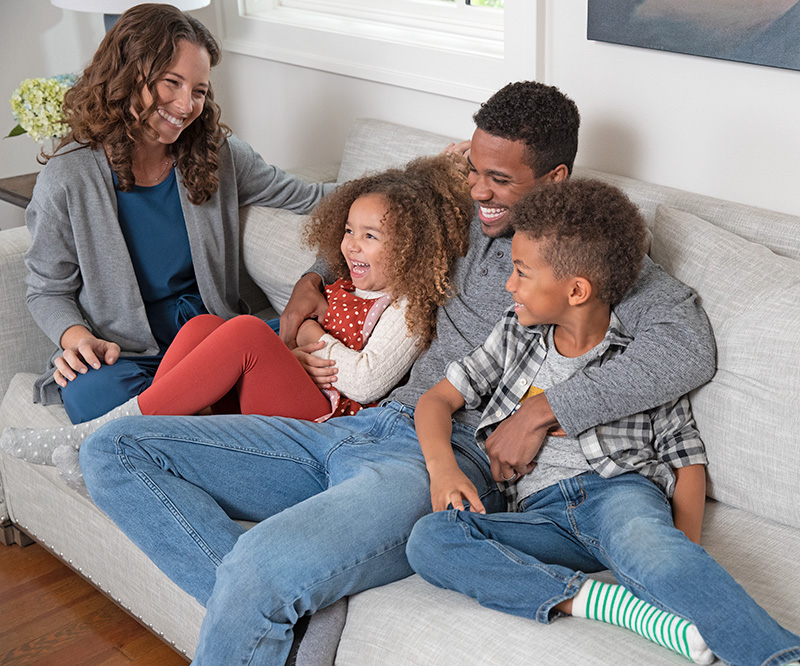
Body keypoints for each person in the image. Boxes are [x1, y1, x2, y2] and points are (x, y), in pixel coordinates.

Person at [78, 81, 717, 666]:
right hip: (355, 427)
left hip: (439, 458)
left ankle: (276, 602)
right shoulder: (461, 212)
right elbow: (368, 233)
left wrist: (541, 411)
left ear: (555, 178)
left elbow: (687, 347)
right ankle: (299, 622)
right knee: (112, 449)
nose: (477, 192)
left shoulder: (588, 254)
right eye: (473, 169)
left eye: (498, 179)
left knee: (261, 565)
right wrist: (312, 281)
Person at [406, 179, 800, 666]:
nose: (510, 285)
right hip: (540, 516)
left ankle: (779, 657)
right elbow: (436, 400)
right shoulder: (514, 334)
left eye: (522, 272)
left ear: (576, 289)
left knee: (658, 556)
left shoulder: (639, 363)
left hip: (618, 495)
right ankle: (609, 606)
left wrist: (679, 550)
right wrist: (443, 468)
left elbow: (686, 458)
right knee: (431, 538)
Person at [2, 154, 473, 494]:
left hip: (327, 425)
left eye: (369, 237)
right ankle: (133, 440)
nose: (351, 246)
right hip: (302, 393)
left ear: (413, 246)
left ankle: (102, 438)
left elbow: (366, 381)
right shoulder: (346, 282)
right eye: (349, 232)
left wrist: (311, 338)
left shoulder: (409, 306)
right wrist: (293, 354)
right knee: (205, 326)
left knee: (246, 331)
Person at [23, 3, 334, 425]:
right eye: (172, 82)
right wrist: (75, 337)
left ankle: (154, 425)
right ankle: (213, 407)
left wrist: (428, 172)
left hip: (211, 338)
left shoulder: (217, 156)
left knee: (318, 339)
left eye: (200, 91)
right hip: (126, 354)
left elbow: (310, 197)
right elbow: (47, 288)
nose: (186, 104)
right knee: (90, 393)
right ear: (129, 73)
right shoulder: (68, 177)